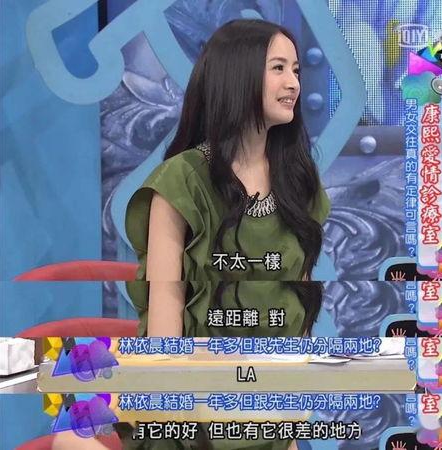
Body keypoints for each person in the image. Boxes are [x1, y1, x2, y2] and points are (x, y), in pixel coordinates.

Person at [125, 18, 330, 341]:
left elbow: (299, 302)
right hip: (202, 370)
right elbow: (164, 312)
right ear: (237, 74)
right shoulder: (181, 180)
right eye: (278, 68)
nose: (293, 84)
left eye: (296, 71)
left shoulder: (298, 178)